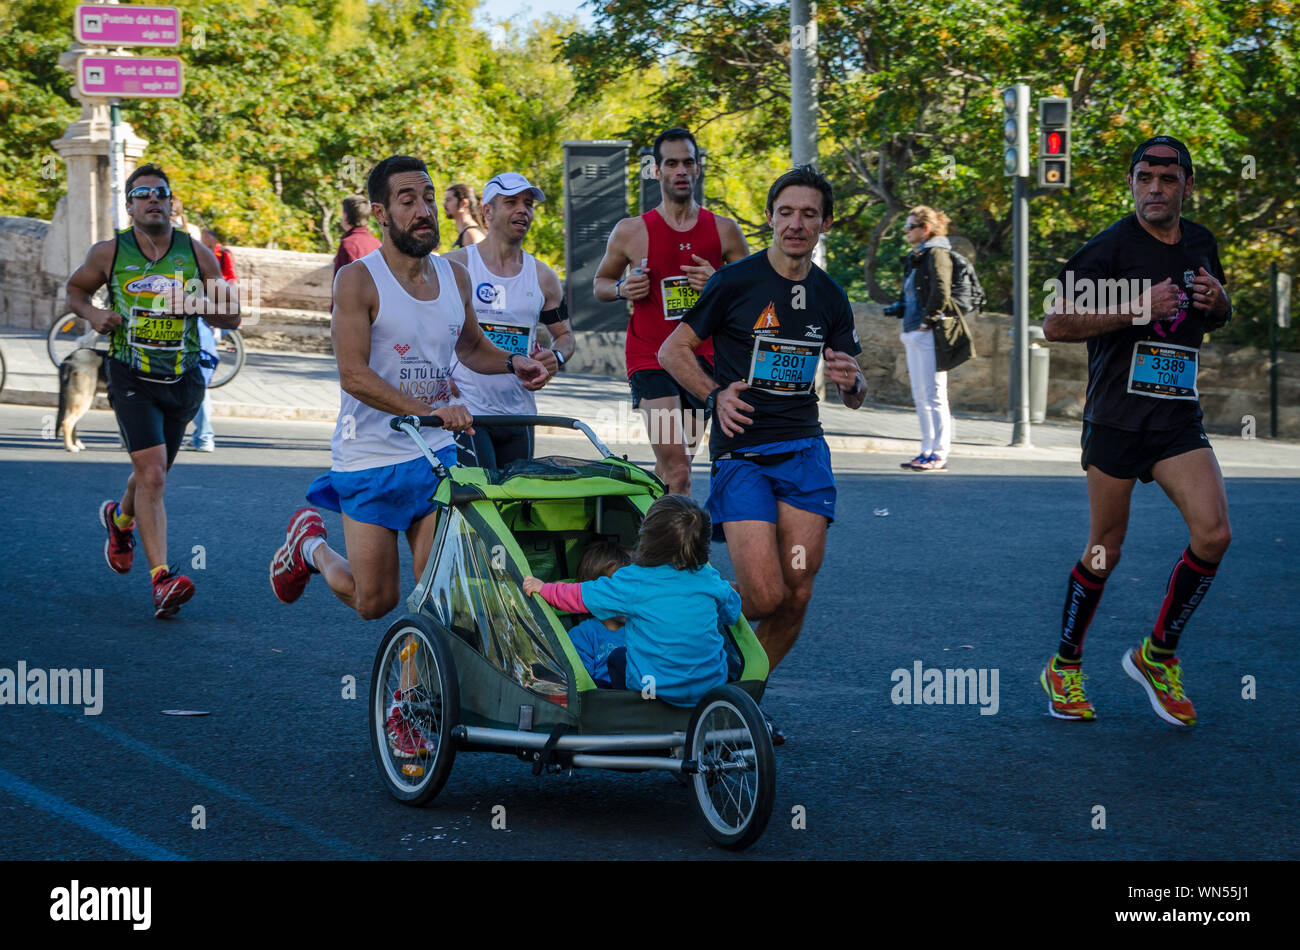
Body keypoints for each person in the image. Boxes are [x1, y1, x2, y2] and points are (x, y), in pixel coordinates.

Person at [268, 155, 547, 627]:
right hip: (371, 455)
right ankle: (309, 545)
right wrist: (428, 411)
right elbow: (353, 374)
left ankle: (410, 696)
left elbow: (473, 346)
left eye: (429, 198)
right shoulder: (357, 280)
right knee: (373, 601)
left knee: (437, 589)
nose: (424, 210)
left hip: (436, 453)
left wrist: (512, 362)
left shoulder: (455, 277)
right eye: (408, 200)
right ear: (380, 212)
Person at [1039, 136, 1233, 728]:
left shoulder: (1201, 243)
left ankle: (1158, 654)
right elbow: (1054, 324)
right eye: (1145, 177)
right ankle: (1064, 666)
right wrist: (1133, 306)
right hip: (1117, 422)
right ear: (1131, 183)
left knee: (1215, 534)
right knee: (1105, 550)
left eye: (1168, 179)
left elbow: (1216, 314)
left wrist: (1219, 300)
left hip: (1176, 419)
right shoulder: (1107, 250)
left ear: (1187, 186)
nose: (1155, 188)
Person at [658, 165, 866, 682]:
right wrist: (714, 396)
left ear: (825, 224)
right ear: (771, 218)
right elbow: (672, 350)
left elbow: (856, 394)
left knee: (797, 591)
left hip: (803, 452)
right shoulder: (736, 282)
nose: (796, 223)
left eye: (809, 214)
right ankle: (685, 641)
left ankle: (741, 697)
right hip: (743, 454)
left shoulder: (830, 296)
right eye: (786, 212)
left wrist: (852, 381)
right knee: (764, 595)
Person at [66, 163, 240, 618]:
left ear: (170, 202)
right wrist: (94, 315)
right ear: (129, 205)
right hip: (131, 376)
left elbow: (233, 316)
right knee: (155, 475)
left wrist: (199, 303)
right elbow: (76, 291)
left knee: (151, 474)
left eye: (160, 193)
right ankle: (162, 578)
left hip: (183, 378)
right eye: (143, 194)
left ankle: (120, 520)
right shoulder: (109, 252)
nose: (153, 200)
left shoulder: (195, 252)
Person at [592, 127, 749, 494]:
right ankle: (674, 552)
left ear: (697, 168)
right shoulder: (631, 231)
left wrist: (718, 282)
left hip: (701, 358)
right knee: (678, 468)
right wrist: (621, 288)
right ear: (657, 170)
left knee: (675, 470)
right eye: (672, 163)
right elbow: (600, 284)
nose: (681, 170)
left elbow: (750, 296)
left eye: (688, 162)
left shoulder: (725, 231)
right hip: (651, 357)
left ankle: (651, 540)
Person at [524, 495, 740, 707]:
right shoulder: (710, 579)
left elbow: (579, 596)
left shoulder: (635, 580)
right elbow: (732, 613)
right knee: (720, 652)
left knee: (619, 658)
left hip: (654, 692)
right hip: (710, 689)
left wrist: (545, 588)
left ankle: (629, 713)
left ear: (647, 539)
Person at [443, 172, 572, 469]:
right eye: (511, 202)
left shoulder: (543, 276)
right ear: (487, 211)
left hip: (520, 414)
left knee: (515, 509)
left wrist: (557, 356)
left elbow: (565, 337)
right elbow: (422, 327)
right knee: (477, 502)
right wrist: (438, 372)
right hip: (467, 410)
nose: (522, 210)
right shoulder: (455, 265)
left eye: (528, 204)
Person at [885, 205, 955, 471]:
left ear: (925, 229)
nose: (905, 231)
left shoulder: (937, 253)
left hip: (928, 333)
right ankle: (926, 450)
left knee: (935, 394)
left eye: (910, 226)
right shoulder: (917, 255)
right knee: (920, 395)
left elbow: (941, 289)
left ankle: (939, 453)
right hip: (912, 329)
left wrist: (928, 321)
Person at [185, 229, 239, 452]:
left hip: (198, 338)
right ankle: (201, 435)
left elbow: (229, 312)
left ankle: (204, 436)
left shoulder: (201, 265)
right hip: (197, 338)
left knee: (198, 386)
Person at [556, 541, 632, 688]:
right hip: (605, 701)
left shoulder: (642, 627)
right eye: (617, 590)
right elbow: (583, 686)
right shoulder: (583, 635)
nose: (626, 597)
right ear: (593, 595)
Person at [444, 183, 486, 249]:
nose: (444, 204)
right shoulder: (468, 232)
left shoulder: (471, 234)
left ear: (463, 203)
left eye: (448, 200)